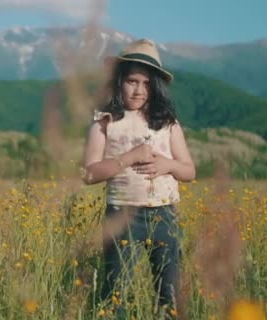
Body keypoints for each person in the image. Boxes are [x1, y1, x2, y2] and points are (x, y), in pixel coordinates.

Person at [83, 39, 196, 318]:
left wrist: (169, 164)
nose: (139, 89)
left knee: (169, 293)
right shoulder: (105, 121)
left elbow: (189, 172)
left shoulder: (167, 122)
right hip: (122, 215)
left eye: (146, 84)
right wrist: (128, 158)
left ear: (155, 86)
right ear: (119, 81)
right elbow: (89, 173)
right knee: (114, 292)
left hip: (164, 215)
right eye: (132, 81)